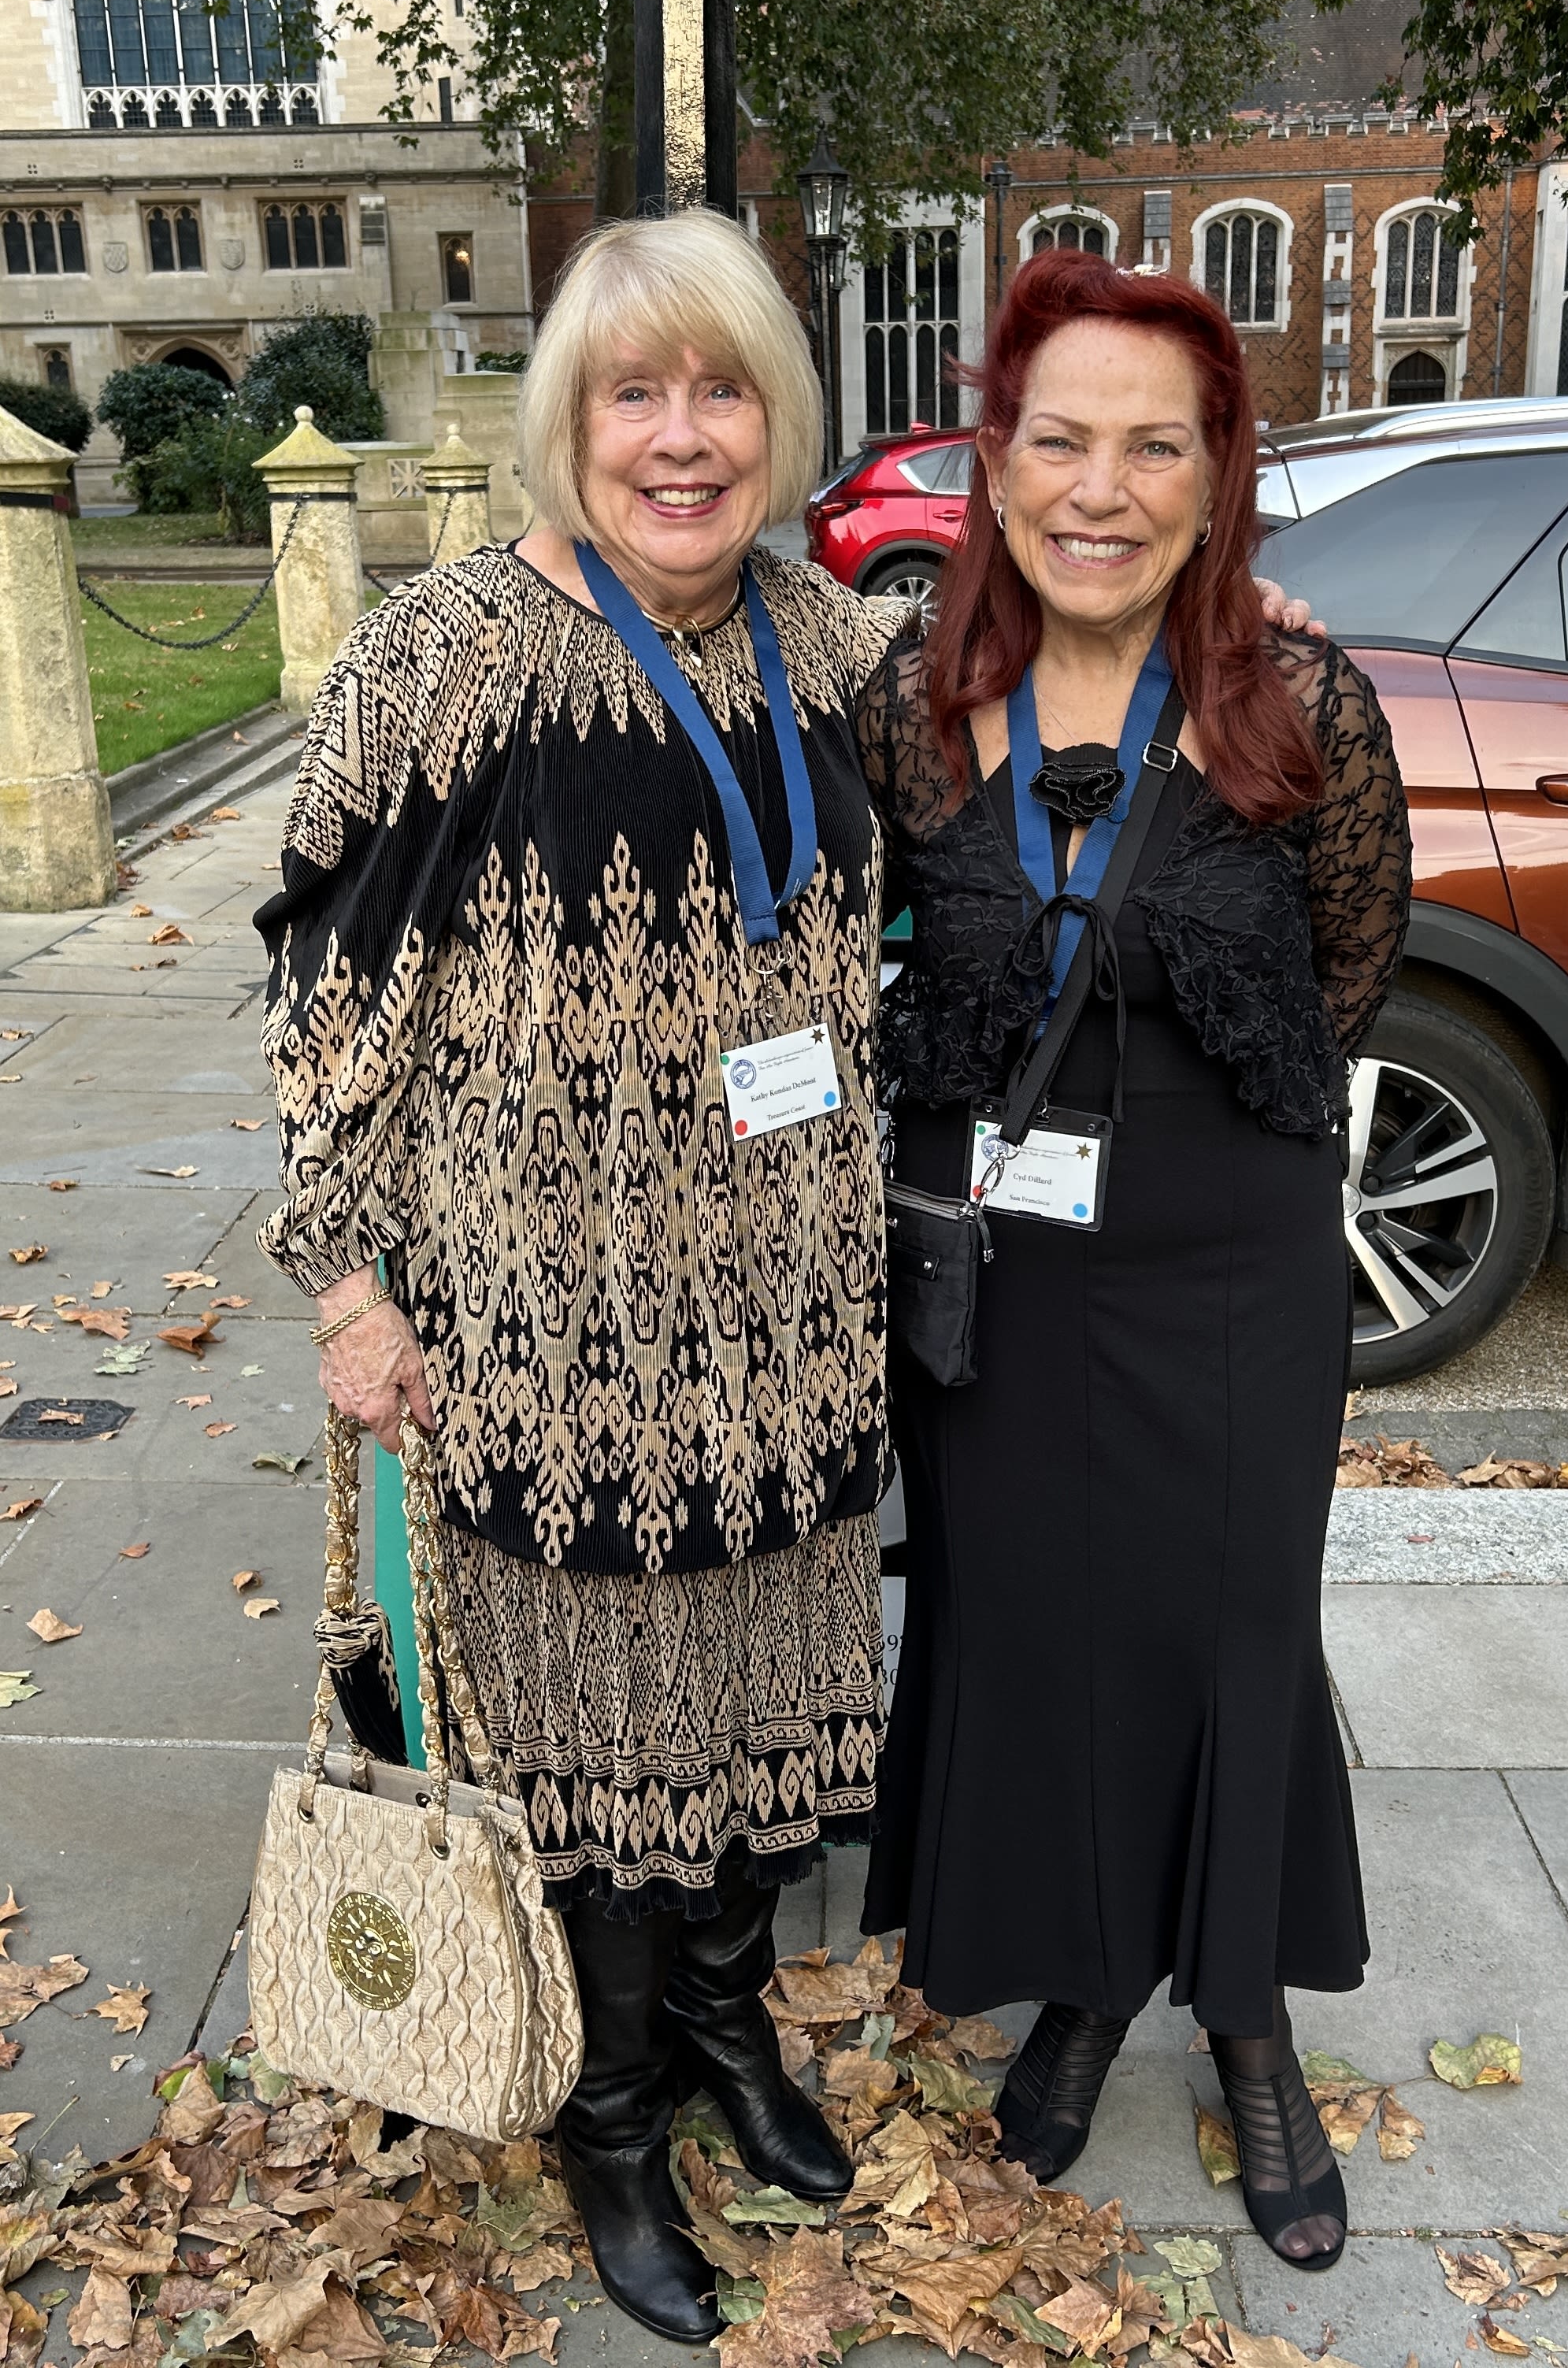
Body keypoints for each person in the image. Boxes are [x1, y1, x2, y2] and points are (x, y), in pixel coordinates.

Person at [254, 208, 907, 2345]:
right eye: (639, 391)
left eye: (725, 388)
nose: (686, 435)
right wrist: (350, 1291)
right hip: (548, 1339)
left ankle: (727, 2034)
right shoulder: (451, 660)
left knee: (749, 1718)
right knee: (605, 1749)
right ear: (570, 419)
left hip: (791, 1325)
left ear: (780, 418)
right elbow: (322, 991)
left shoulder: (820, 643)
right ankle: (611, 2114)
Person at [858, 250, 1411, 2272]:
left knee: (1236, 1622)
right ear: (996, 466)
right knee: (1041, 1624)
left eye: (1152, 444)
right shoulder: (911, 694)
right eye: (1060, 437)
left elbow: (1356, 967)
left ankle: (1247, 2012)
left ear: (1214, 472)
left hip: (1232, 1258)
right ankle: (1088, 1973)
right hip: (994, 1267)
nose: (1101, 485)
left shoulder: (1300, 694)